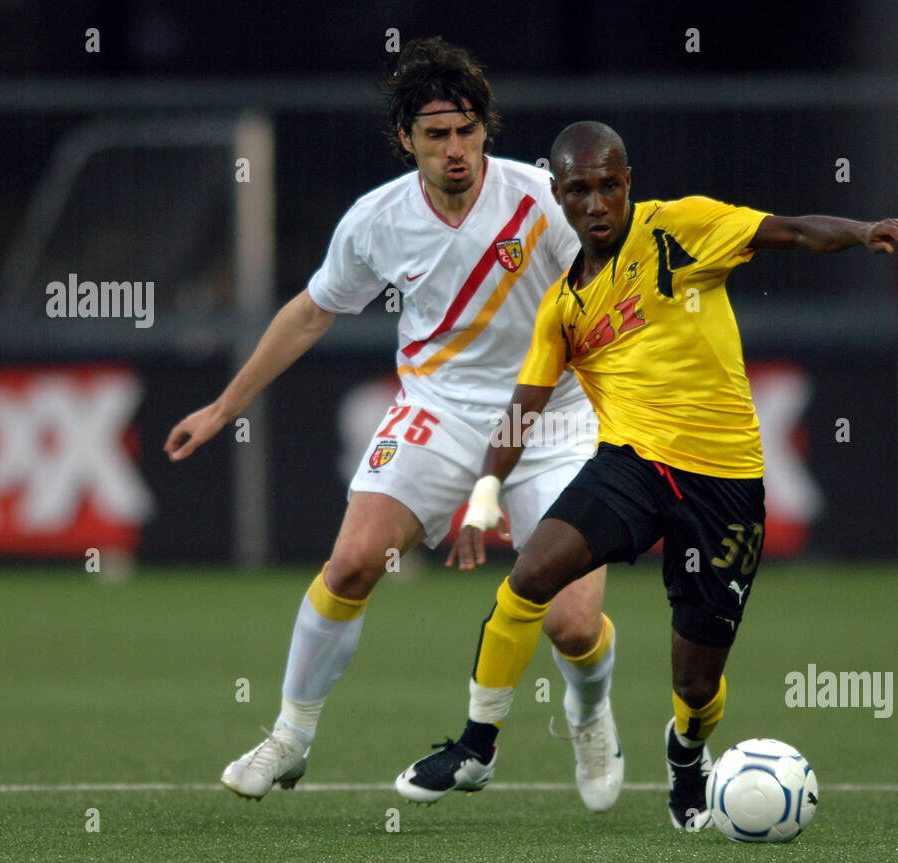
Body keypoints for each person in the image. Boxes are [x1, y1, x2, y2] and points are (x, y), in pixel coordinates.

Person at [396, 120, 898, 828]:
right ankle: (477, 746)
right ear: (559, 196)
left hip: (724, 486)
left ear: (628, 183)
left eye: (609, 186)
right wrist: (486, 494)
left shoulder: (681, 229)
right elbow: (524, 407)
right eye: (579, 190)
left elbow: (792, 232)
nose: (597, 204)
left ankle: (686, 754)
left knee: (695, 680)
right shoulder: (564, 307)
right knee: (530, 578)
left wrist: (861, 231)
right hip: (631, 468)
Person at [164, 41, 624, 812]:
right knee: (349, 564)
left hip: (556, 420)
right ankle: (289, 737)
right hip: (438, 414)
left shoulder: (543, 199)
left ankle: (590, 715)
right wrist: (224, 405)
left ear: (487, 131)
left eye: (468, 132)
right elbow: (311, 313)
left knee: (574, 623)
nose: (456, 150)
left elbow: (617, 287)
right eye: (437, 135)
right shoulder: (376, 220)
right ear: (405, 138)